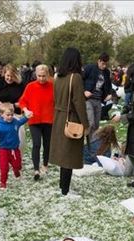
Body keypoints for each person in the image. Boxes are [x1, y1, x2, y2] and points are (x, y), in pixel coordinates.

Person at [49, 47, 89, 197]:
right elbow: (79, 103)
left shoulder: (58, 77)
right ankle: (65, 190)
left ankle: (63, 186)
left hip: (59, 117)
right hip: (72, 118)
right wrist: (85, 124)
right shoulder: (75, 77)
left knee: (63, 154)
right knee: (69, 155)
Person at [19, 64, 54, 180]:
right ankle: (36, 169)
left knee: (47, 144)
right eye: (39, 76)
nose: (41, 78)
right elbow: (22, 101)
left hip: (48, 119)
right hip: (34, 120)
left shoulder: (52, 86)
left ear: (48, 75)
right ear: (35, 75)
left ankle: (45, 164)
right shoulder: (30, 86)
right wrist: (25, 110)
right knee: (36, 144)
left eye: (44, 76)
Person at [0, 103, 31, 189]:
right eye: (8, 115)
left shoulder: (15, 122)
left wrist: (27, 117)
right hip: (4, 150)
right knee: (4, 167)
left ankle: (16, 171)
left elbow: (21, 122)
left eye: (12, 115)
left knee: (17, 164)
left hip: (14, 149)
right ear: (2, 114)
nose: (10, 117)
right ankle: (3, 182)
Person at [82, 53, 113, 148]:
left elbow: (108, 85)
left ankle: (92, 144)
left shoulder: (106, 72)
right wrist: (84, 91)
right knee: (90, 122)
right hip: (88, 99)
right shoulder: (90, 68)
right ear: (99, 61)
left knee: (96, 124)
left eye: (106, 64)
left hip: (99, 100)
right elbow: (80, 80)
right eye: (103, 63)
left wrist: (109, 94)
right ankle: (85, 142)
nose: (104, 66)